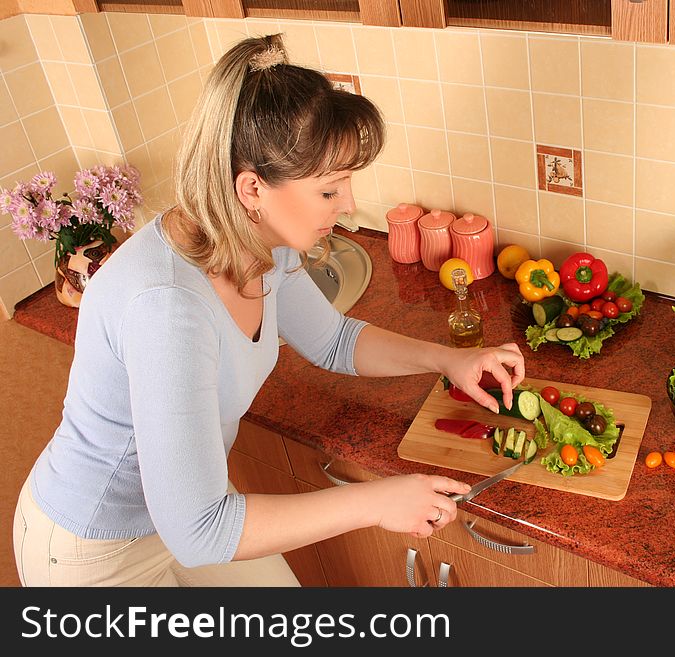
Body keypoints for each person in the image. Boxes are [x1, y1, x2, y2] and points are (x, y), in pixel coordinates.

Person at [12, 34, 525, 587]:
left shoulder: (260, 242)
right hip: (96, 551)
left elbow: (334, 340)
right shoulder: (168, 308)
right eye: (330, 190)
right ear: (252, 187)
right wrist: (378, 501)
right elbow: (199, 531)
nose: (349, 204)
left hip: (190, 514)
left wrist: (449, 360)